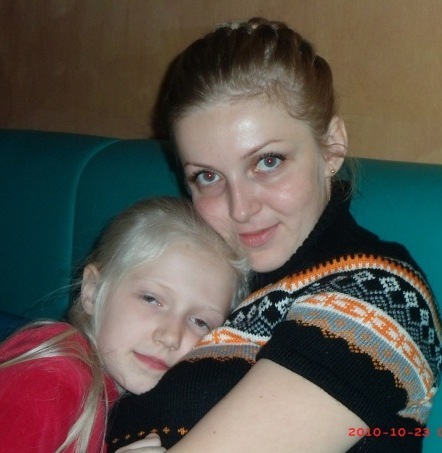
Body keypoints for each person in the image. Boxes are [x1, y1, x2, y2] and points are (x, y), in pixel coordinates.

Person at [107, 17, 442, 452]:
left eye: (268, 162)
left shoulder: (380, 298)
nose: (240, 209)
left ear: (331, 147)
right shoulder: (208, 285)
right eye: (208, 176)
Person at [0, 197, 249, 453]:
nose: (170, 336)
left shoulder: (121, 398)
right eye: (151, 299)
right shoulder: (53, 374)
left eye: (200, 322)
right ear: (93, 292)